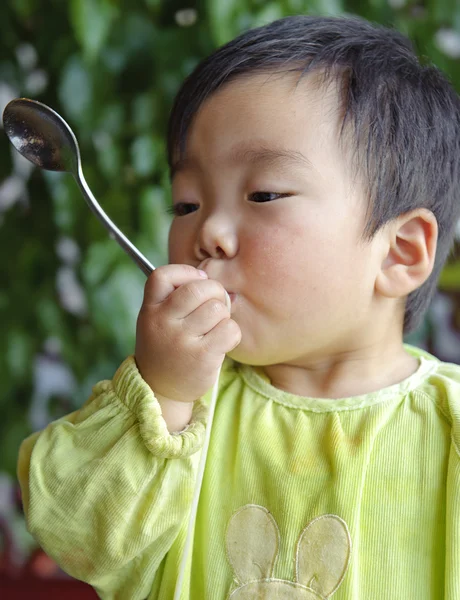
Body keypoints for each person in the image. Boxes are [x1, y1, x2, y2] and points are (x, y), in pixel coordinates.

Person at [17, 14, 460, 600]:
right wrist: (162, 392)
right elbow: (75, 536)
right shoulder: (178, 413)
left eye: (264, 194)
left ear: (399, 252)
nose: (210, 233)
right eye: (186, 204)